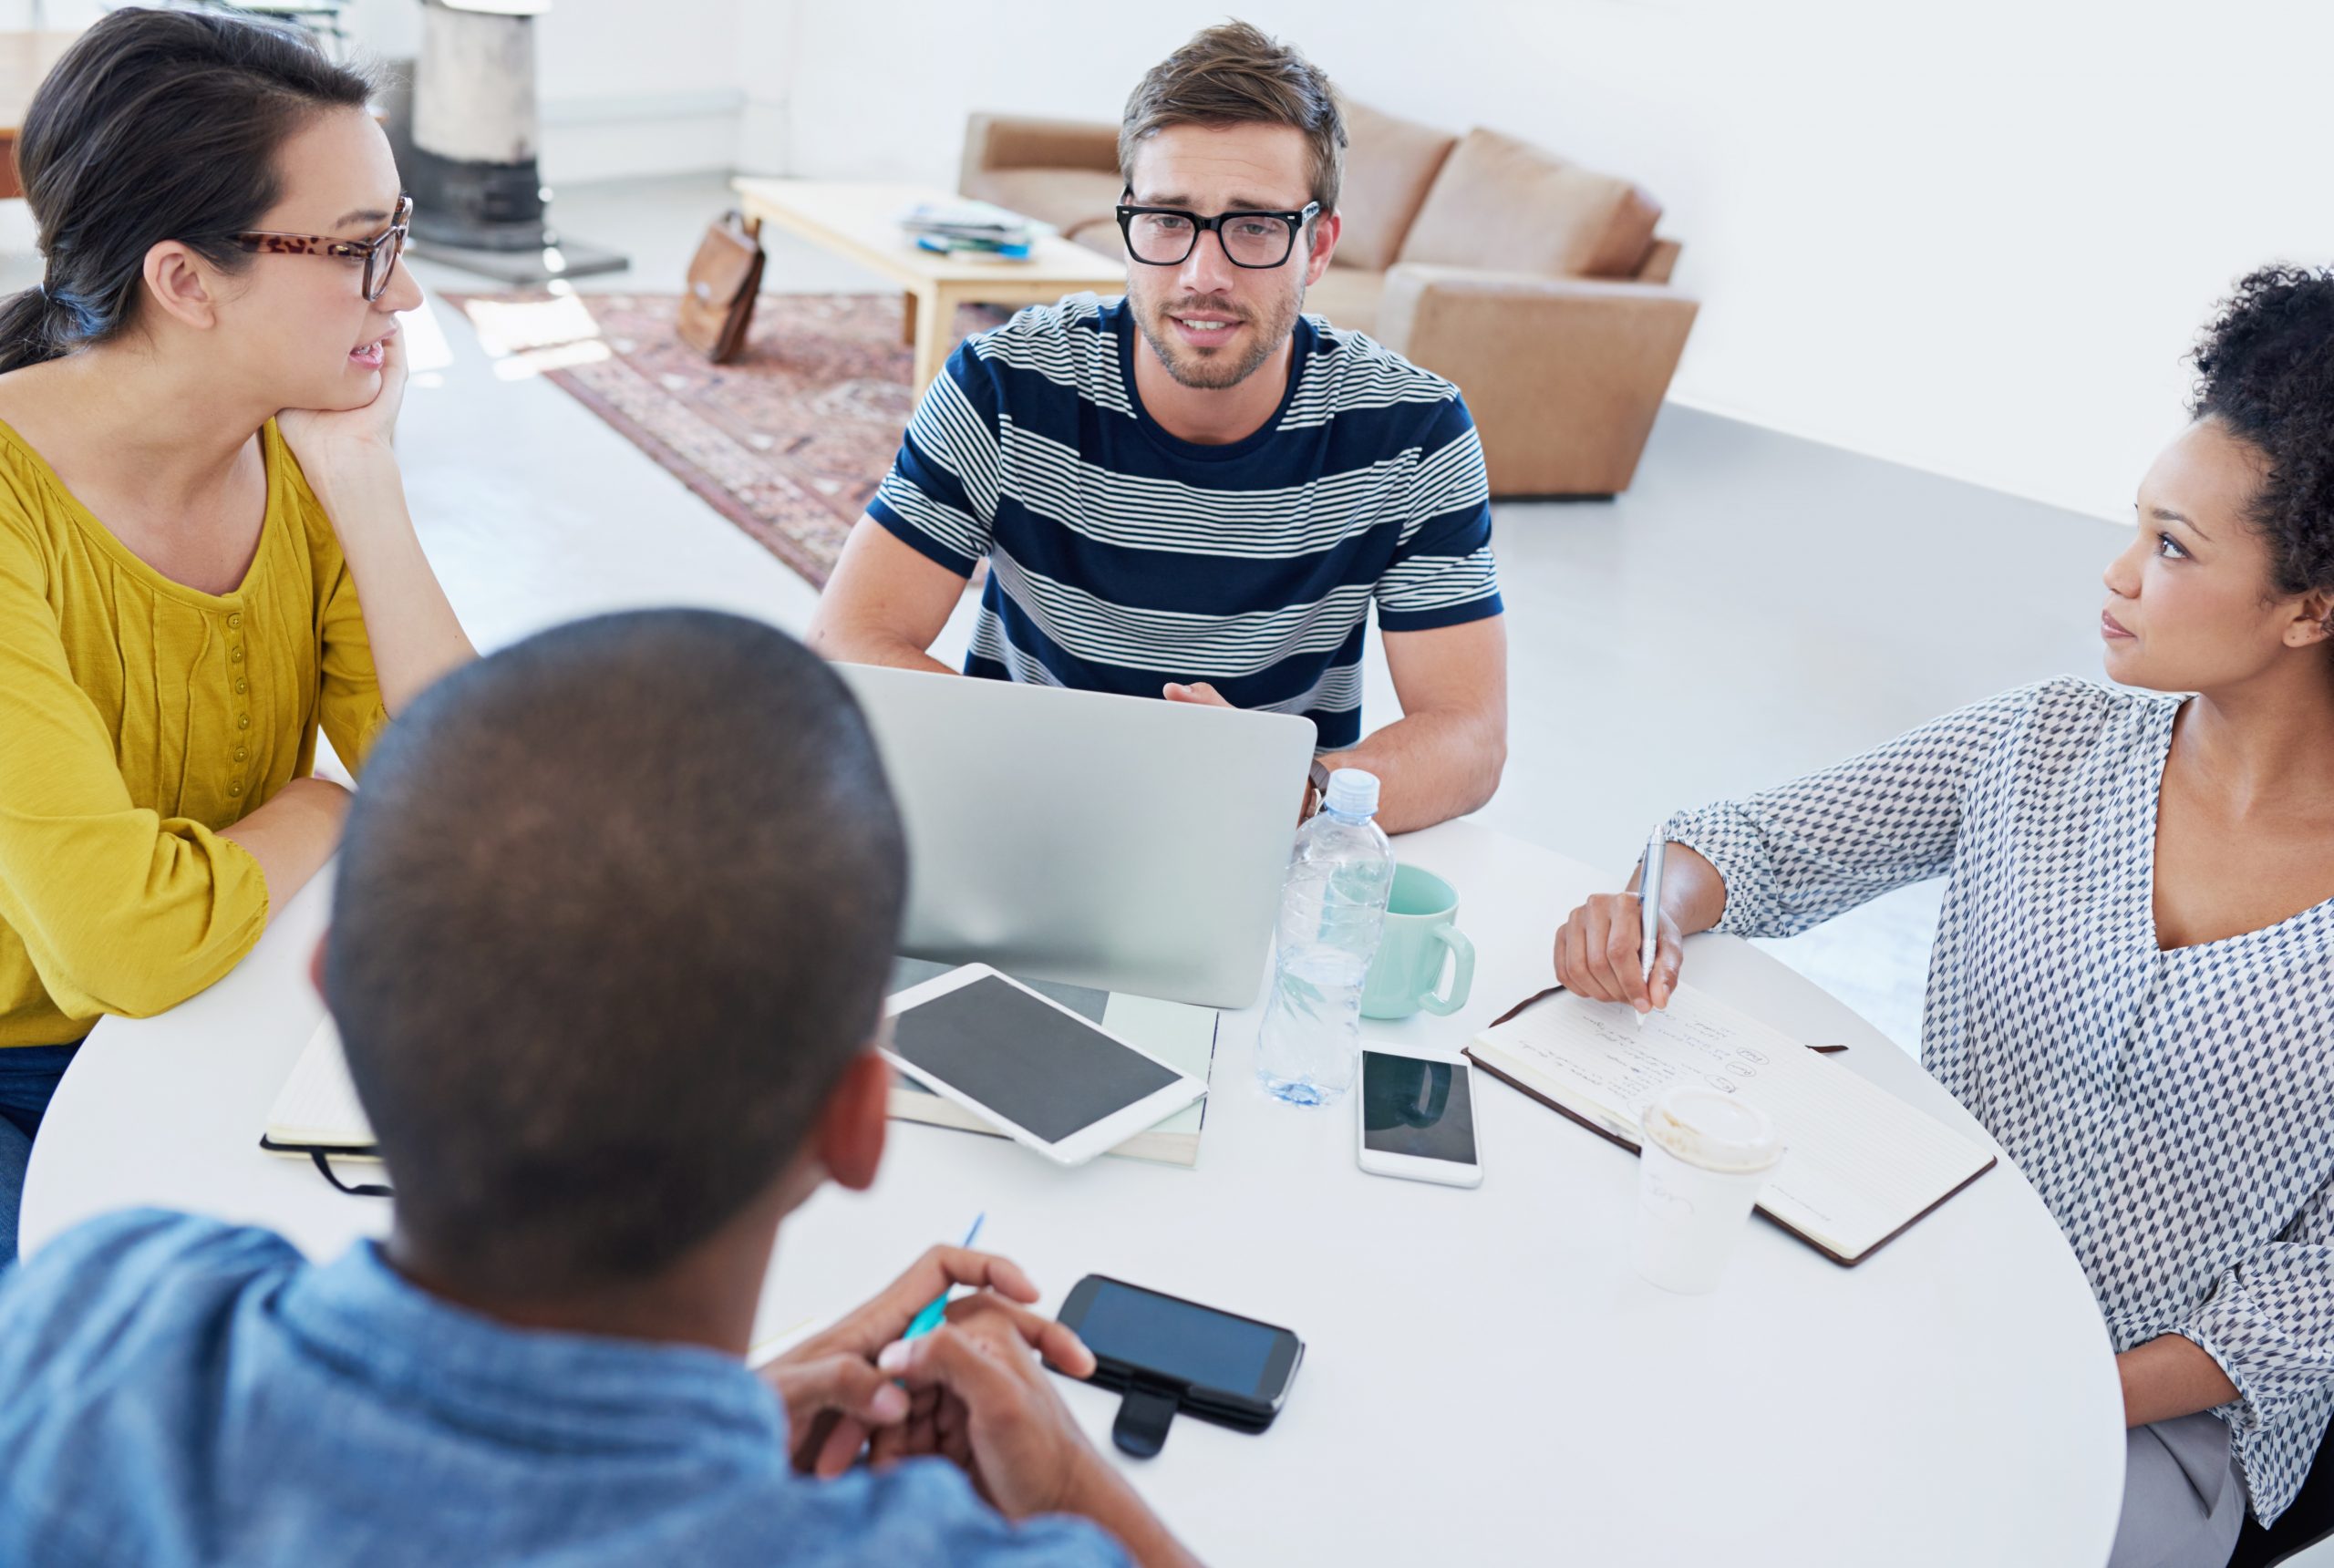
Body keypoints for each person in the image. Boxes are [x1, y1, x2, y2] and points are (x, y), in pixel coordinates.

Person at [0, 610, 1195, 1567]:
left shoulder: (98, 1315)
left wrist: (715, 1422)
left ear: (336, 991)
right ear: (858, 1123)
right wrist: (1069, 1486)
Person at [1553, 266, 2334, 1564]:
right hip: (1892, 1280)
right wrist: (1655, 912)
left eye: (2175, 549)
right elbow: (1753, 843)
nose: (2120, 571)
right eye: (2139, 524)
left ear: (2311, 608)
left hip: (2152, 1423)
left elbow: (2312, 1308)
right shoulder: (2042, 744)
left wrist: (2033, 1373)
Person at [0, 7, 472, 1258]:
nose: (407, 294)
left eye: (402, 239)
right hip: (30, 1055)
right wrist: (323, 809)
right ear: (185, 279)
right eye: (364, 250)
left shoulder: (291, 442)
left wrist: (362, 481)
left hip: (235, 986)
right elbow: (124, 942)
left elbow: (480, 804)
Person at [806, 20, 1506, 835]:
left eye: (1253, 226)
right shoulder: (1004, 387)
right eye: (1170, 221)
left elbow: (1471, 736)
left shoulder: (1412, 430)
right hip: (1019, 816)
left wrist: (1297, 785)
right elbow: (846, 641)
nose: (1203, 276)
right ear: (1128, 225)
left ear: (1317, 247)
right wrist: (1095, 764)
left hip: (1264, 842)